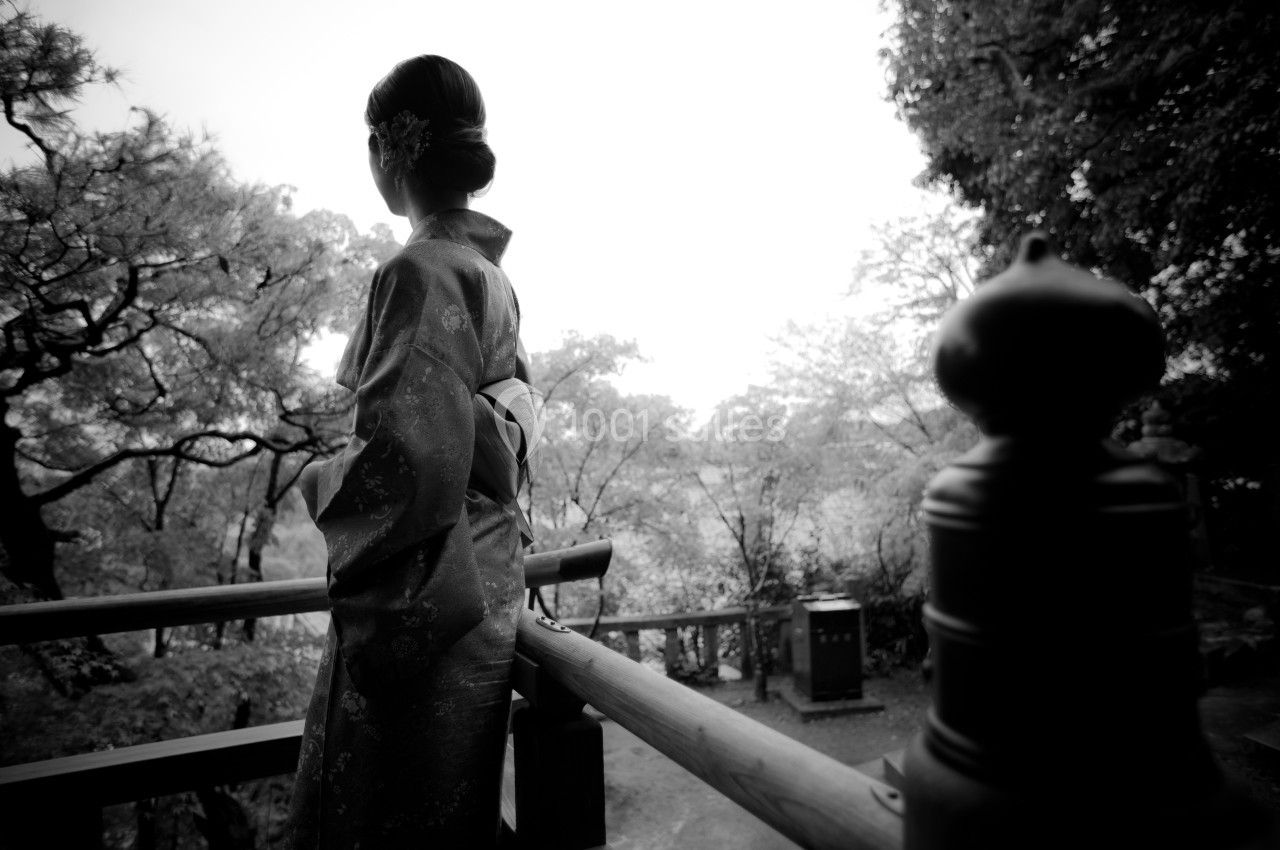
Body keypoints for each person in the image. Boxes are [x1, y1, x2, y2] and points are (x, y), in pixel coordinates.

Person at [288, 55, 537, 849]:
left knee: (376, 813)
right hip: (485, 584)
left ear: (389, 152)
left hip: (429, 587)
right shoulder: (486, 275)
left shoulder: (417, 270)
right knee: (448, 810)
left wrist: (319, 478)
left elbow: (408, 463)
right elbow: (490, 439)